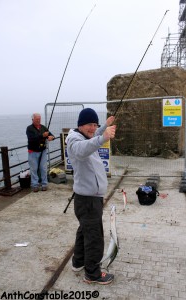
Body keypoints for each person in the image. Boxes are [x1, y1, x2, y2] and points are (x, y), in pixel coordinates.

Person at [65, 108, 116, 285]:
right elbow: (83, 149)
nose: (93, 128)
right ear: (80, 124)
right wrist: (103, 137)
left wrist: (104, 127)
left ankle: (78, 263)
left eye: (95, 124)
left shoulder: (85, 136)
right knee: (94, 236)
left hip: (89, 197)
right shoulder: (74, 140)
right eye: (89, 124)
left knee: (84, 231)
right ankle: (92, 274)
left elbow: (92, 137)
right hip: (87, 200)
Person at [26, 113, 55, 192]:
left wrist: (51, 137)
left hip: (42, 151)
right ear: (33, 120)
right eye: (36, 119)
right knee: (34, 169)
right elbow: (32, 139)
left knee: (43, 168)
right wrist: (42, 136)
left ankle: (44, 184)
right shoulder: (29, 128)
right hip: (33, 152)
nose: (38, 120)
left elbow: (52, 135)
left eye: (39, 119)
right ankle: (34, 185)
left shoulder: (43, 127)